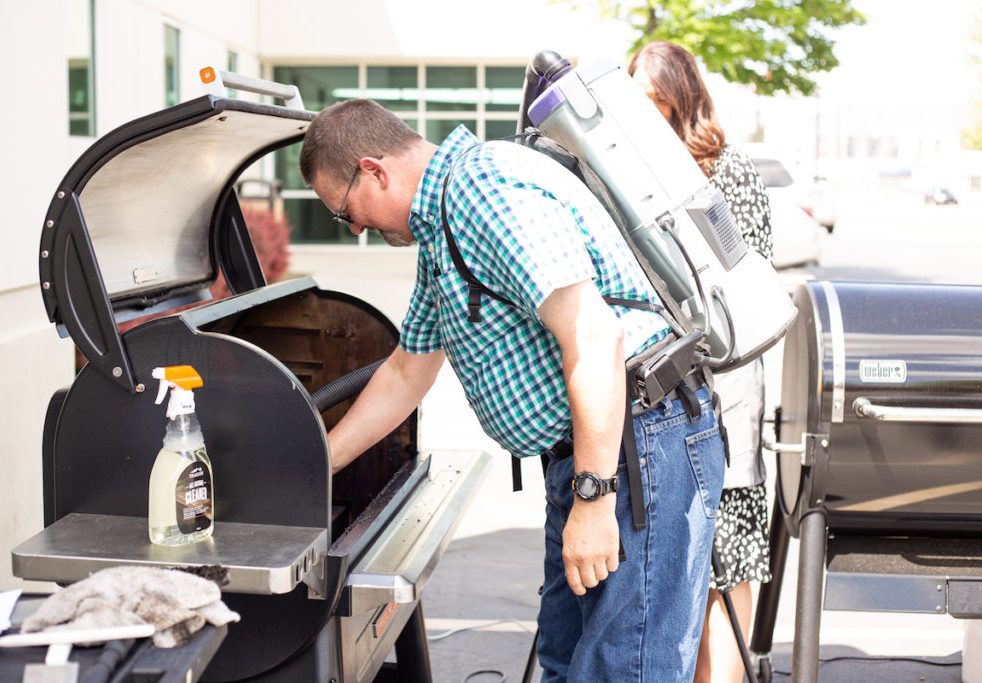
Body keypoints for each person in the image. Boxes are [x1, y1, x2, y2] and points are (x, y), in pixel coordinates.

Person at [299, 98, 726, 681]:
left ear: (374, 170)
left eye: (344, 210)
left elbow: (595, 336)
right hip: (594, 454)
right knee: (566, 661)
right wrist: (312, 465)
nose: (354, 229)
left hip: (635, 449)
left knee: (624, 669)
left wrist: (594, 497)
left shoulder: (484, 190)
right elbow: (407, 370)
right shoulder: (442, 226)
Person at [629, 41, 774, 683]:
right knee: (676, 568)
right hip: (661, 396)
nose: (641, 112)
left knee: (728, 564)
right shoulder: (627, 171)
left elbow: (746, 277)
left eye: (653, 99)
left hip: (725, 381)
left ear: (682, 99)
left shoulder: (726, 173)